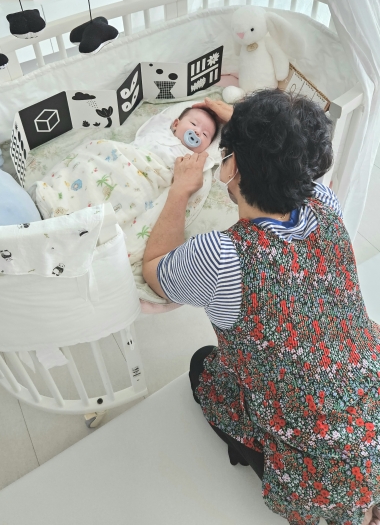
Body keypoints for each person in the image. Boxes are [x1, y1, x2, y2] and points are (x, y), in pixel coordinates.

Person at [142, 89, 380, 525]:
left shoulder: (221, 256)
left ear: (230, 166)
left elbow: (155, 268)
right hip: (369, 395)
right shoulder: (324, 202)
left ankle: (334, 504)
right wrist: (248, 122)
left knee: (201, 366)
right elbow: (288, 148)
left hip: (320, 453)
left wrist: (181, 190)